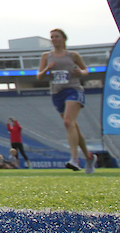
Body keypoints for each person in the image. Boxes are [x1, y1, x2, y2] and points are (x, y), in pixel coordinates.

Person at [37, 27, 95, 174]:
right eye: (52, 37)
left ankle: (74, 159)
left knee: (68, 122)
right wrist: (47, 69)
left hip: (73, 89)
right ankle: (89, 157)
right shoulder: (46, 56)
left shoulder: (73, 55)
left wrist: (80, 72)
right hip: (57, 92)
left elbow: (85, 70)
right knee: (72, 126)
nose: (54, 39)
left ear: (63, 38)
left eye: (57, 36)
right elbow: (39, 76)